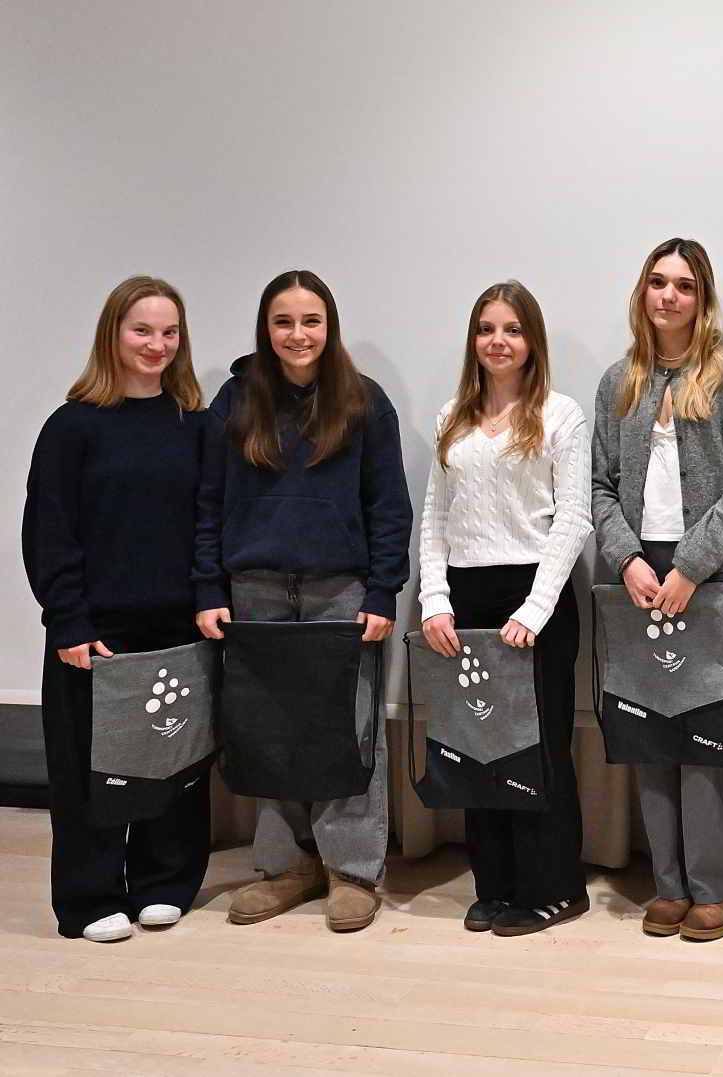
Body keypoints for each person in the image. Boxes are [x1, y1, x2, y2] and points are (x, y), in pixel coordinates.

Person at [195, 269, 413, 933]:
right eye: (283, 321)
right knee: (269, 730)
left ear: (329, 326)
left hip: (340, 591)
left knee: (348, 729)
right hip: (254, 591)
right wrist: (208, 587)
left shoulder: (364, 401)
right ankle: (286, 866)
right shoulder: (235, 401)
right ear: (266, 328)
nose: (298, 334)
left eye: (311, 321)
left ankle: (351, 869)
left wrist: (383, 590)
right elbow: (207, 502)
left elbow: (388, 506)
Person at [589, 238, 723, 942]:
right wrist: (628, 559)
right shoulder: (619, 380)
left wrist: (692, 563)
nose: (669, 296)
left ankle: (722, 884)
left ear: (703, 298)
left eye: (685, 285)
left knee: (706, 733)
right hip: (637, 574)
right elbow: (598, 485)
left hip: (713, 572)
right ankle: (668, 882)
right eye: (659, 282)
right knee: (649, 728)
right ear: (643, 292)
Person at [24, 276, 213, 943]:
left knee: (174, 759)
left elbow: (208, 523)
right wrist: (68, 619)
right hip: (97, 630)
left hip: (177, 625)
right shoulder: (72, 426)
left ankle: (164, 882)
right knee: (87, 772)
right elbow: (49, 531)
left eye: (169, 332)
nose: (157, 345)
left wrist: (207, 601)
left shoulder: (194, 424)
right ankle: (89, 896)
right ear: (113, 334)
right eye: (142, 331)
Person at [418, 281, 593, 935]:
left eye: (513, 329)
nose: (499, 341)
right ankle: (493, 884)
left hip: (535, 598)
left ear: (532, 341)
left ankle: (555, 889)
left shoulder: (561, 415)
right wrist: (435, 600)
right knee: (477, 745)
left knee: (538, 749)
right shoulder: (452, 418)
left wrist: (535, 608)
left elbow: (573, 519)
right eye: (487, 328)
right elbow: (436, 517)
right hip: (466, 600)